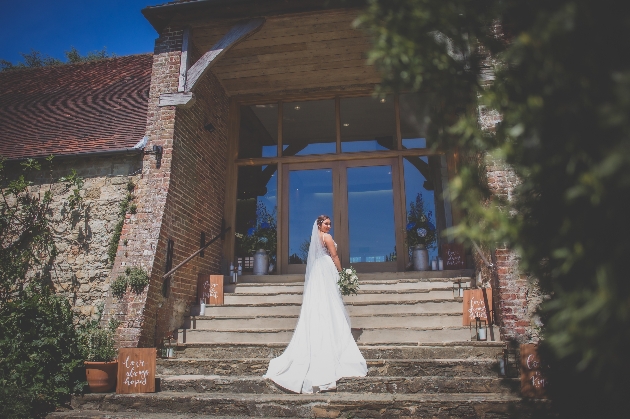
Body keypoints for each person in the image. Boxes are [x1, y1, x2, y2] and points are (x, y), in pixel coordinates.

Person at [263, 215, 367, 393]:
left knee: (321, 300)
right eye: (326, 223)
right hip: (326, 268)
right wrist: (342, 273)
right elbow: (334, 256)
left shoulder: (315, 238)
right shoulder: (326, 238)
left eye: (330, 223)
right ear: (319, 224)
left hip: (318, 270)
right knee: (330, 300)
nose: (329, 226)